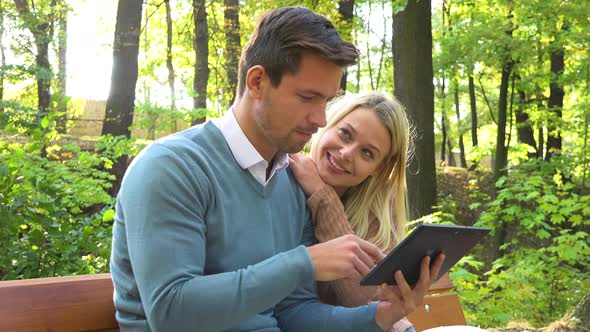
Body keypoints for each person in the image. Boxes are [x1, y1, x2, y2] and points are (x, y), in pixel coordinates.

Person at [109, 6, 444, 332]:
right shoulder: (172, 167)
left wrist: (380, 317)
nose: (321, 119)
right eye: (308, 97)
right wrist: (304, 262)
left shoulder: (286, 182)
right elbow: (171, 313)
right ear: (257, 82)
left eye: (326, 101)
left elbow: (292, 312)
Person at [289, 92, 419, 332]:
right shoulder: (283, 183)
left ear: (378, 169)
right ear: (327, 124)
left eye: (367, 153)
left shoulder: (377, 212)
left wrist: (323, 196)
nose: (347, 153)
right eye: (345, 133)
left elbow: (368, 301)